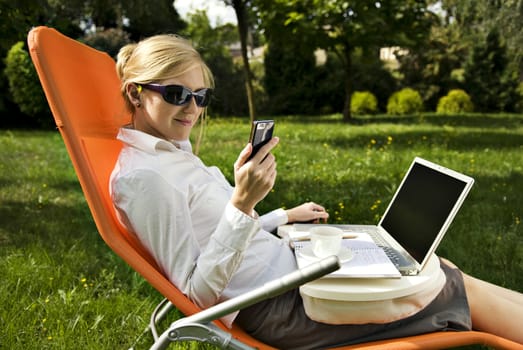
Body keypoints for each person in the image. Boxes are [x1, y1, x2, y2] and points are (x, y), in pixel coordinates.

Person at [110, 34, 523, 349]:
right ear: (135, 92)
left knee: (434, 266)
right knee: (452, 285)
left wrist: (280, 217)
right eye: (177, 94)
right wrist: (242, 202)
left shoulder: (171, 154)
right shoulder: (144, 179)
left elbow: (220, 233)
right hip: (284, 308)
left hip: (292, 274)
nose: (192, 109)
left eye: (200, 96)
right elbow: (198, 298)